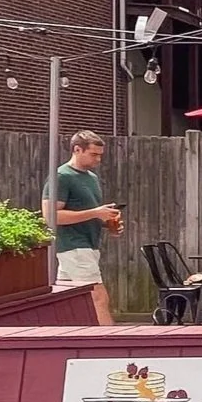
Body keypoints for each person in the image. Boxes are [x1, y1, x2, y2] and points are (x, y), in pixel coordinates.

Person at [47, 131, 122, 325]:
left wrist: (108, 223)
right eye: (94, 154)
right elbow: (51, 216)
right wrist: (96, 213)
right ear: (77, 149)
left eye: (100, 155)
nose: (98, 159)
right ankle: (110, 345)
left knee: (67, 300)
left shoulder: (91, 177)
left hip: (89, 245)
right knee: (98, 297)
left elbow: (89, 212)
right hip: (73, 246)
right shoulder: (61, 176)